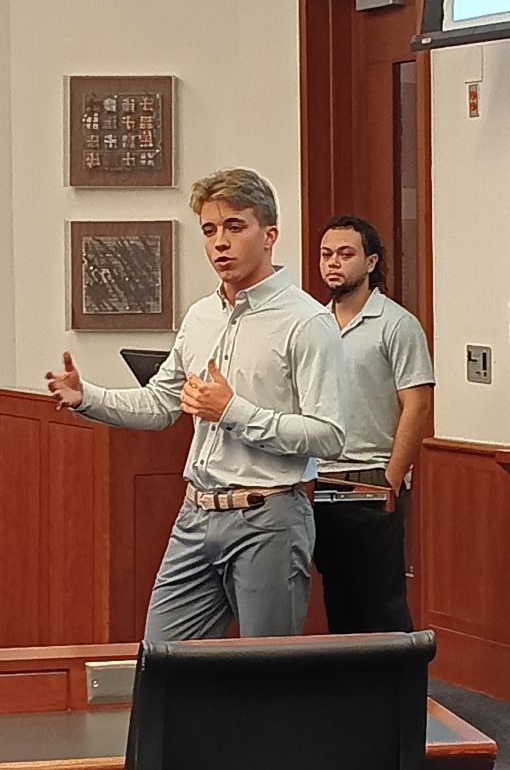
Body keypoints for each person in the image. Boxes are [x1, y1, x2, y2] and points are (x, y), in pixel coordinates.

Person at [46, 168, 346, 640]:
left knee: (266, 678)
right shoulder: (201, 316)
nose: (220, 243)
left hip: (268, 518)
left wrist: (234, 411)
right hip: (195, 515)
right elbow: (161, 403)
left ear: (269, 235)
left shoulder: (307, 322)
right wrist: (88, 398)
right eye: (210, 230)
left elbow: (329, 436)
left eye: (234, 227)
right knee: (162, 662)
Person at [314, 214, 434, 634]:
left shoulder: (397, 324)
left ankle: (400, 696)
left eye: (346, 254)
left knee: (380, 602)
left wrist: (391, 478)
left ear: (370, 262)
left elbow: (417, 405)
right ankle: (348, 696)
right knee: (337, 598)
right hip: (318, 477)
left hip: (370, 478)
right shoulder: (313, 324)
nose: (333, 263)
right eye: (326, 254)